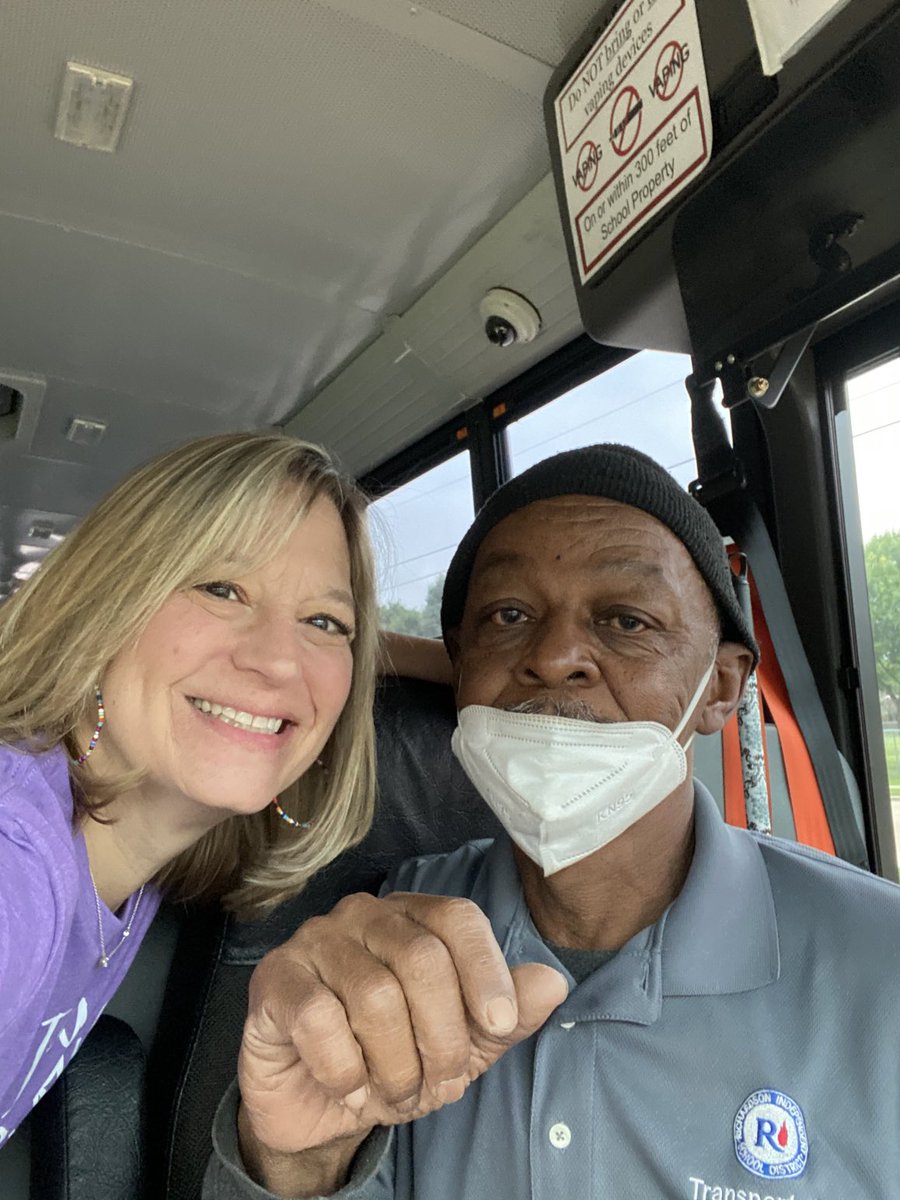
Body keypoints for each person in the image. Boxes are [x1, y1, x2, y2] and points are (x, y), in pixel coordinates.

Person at [206, 444, 900, 1199]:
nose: (556, 654)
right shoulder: (393, 931)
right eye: (509, 615)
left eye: (626, 621)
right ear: (462, 663)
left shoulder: (880, 965)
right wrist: (301, 1163)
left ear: (722, 687)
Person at [0, 430, 385, 1146]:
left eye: (324, 622)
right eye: (220, 588)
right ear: (103, 604)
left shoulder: (125, 844)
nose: (279, 661)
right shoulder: (17, 865)